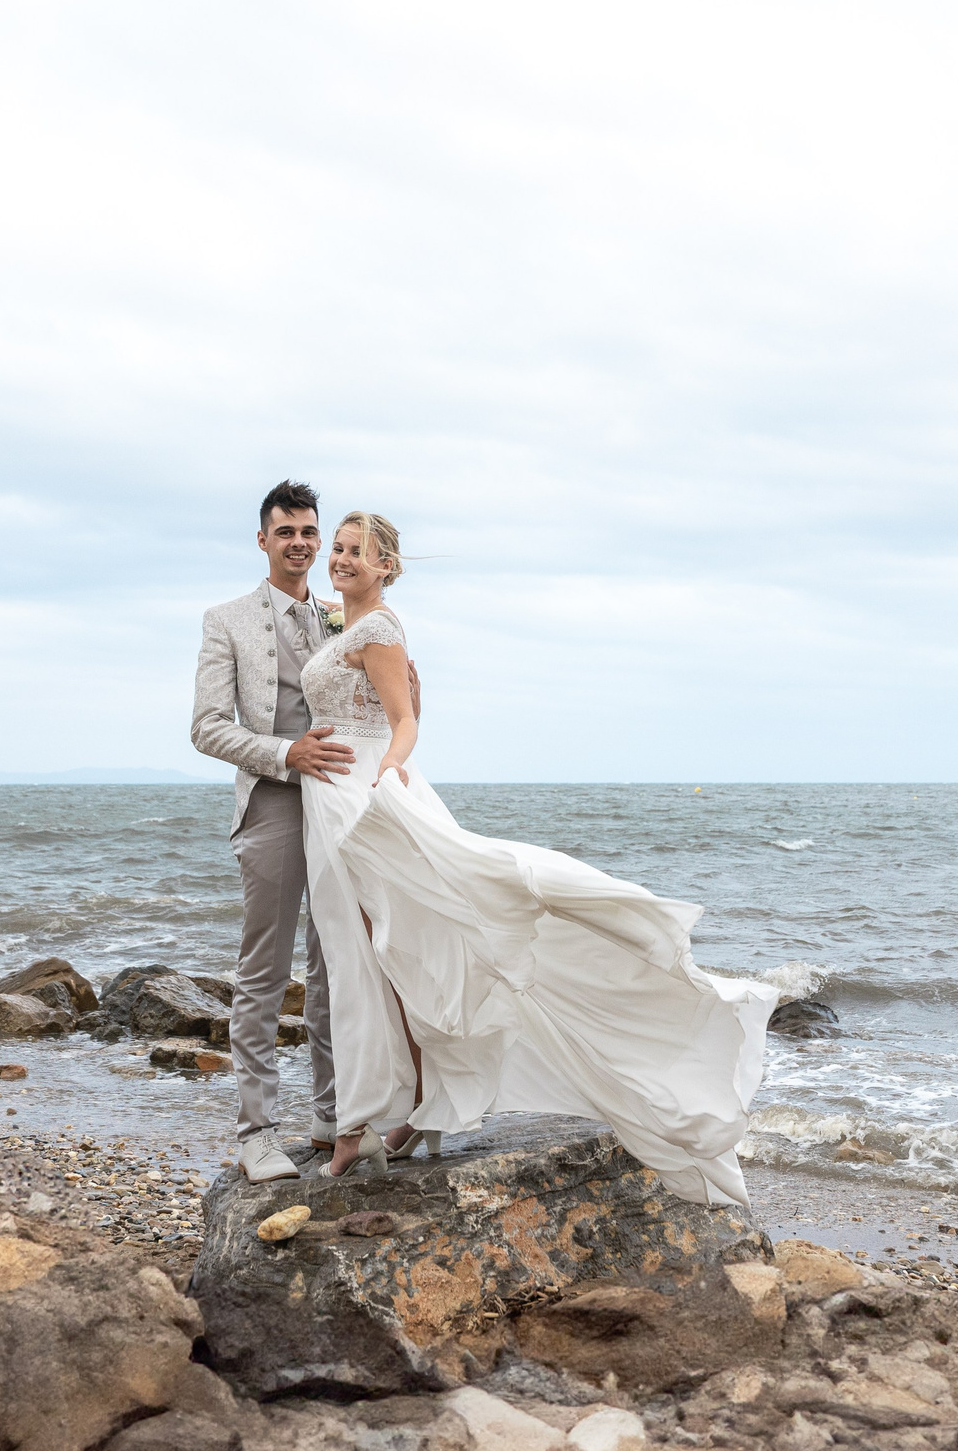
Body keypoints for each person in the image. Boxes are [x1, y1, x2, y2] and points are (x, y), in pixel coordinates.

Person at [299, 510, 776, 1205]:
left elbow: (405, 722)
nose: (340, 559)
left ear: (386, 566)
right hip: (330, 795)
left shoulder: (379, 627)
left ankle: (361, 1124)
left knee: (376, 953)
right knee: (375, 956)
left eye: (356, 552)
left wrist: (386, 778)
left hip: (359, 799)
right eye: (337, 549)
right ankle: (404, 1111)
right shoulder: (345, 623)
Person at [189, 480, 352, 1183]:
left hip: (341, 806)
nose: (300, 543)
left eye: (309, 531)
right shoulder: (226, 619)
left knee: (338, 964)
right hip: (275, 805)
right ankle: (257, 1131)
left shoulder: (344, 615)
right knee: (264, 972)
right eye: (286, 531)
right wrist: (287, 753)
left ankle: (333, 1112)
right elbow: (206, 727)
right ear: (264, 540)